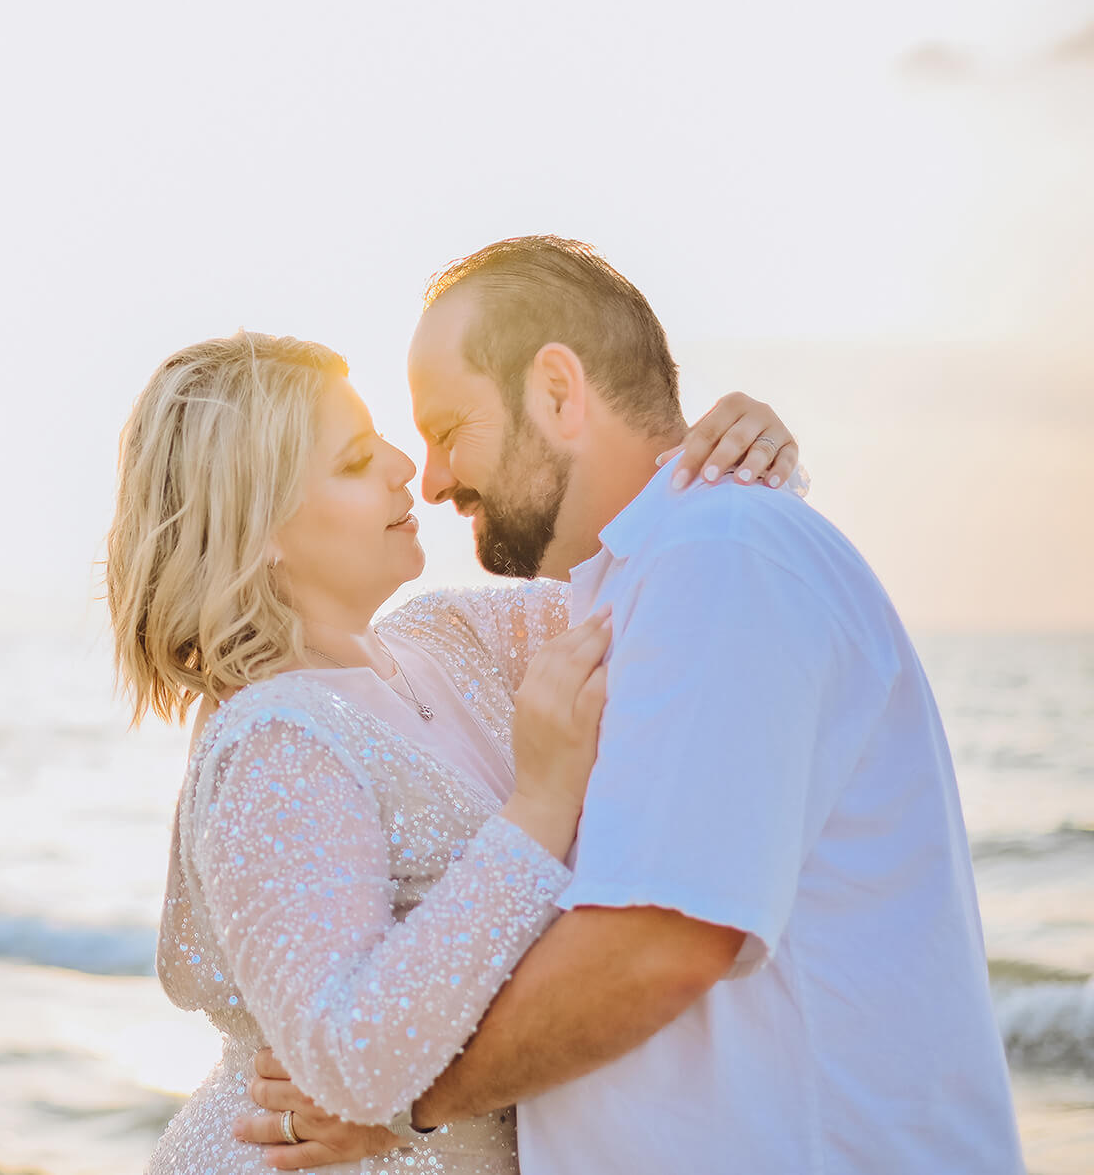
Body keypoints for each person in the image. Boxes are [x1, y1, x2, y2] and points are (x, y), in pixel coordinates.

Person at [241, 236, 1023, 1174]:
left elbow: (657, 947)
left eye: (449, 429)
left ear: (560, 394)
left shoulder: (724, 557)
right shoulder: (628, 589)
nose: (435, 478)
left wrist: (408, 1098)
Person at [107, 330, 802, 1174]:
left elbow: (654, 594)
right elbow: (352, 1057)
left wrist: (723, 471)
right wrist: (539, 809)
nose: (408, 465)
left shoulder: (447, 637)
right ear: (259, 530)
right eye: (358, 461)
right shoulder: (273, 743)